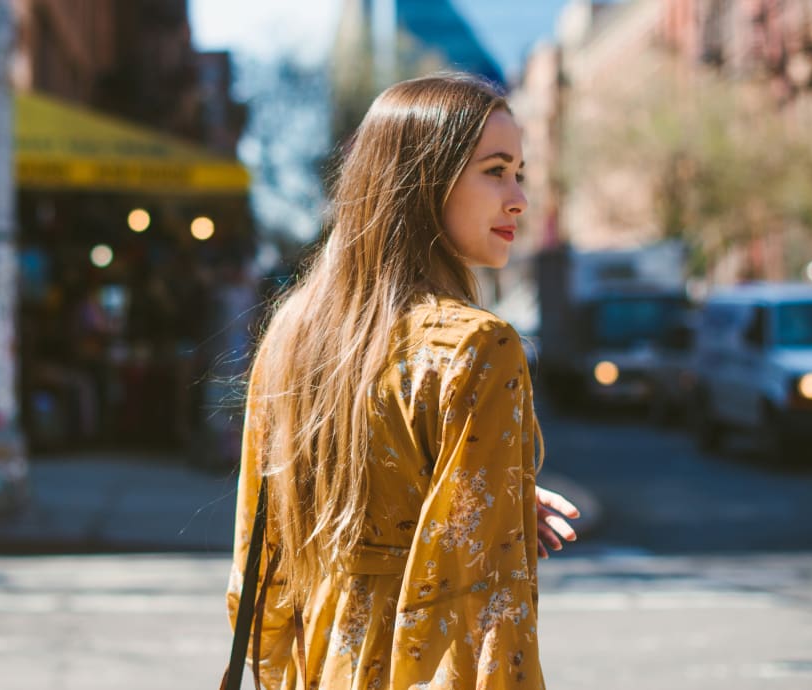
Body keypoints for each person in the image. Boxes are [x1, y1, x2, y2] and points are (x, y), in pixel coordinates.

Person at [227, 73, 580, 689]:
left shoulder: (292, 334)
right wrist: (488, 519)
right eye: (495, 170)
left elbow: (258, 569)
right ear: (425, 180)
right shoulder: (478, 345)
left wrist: (494, 501)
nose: (519, 198)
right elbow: (481, 608)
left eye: (520, 172)